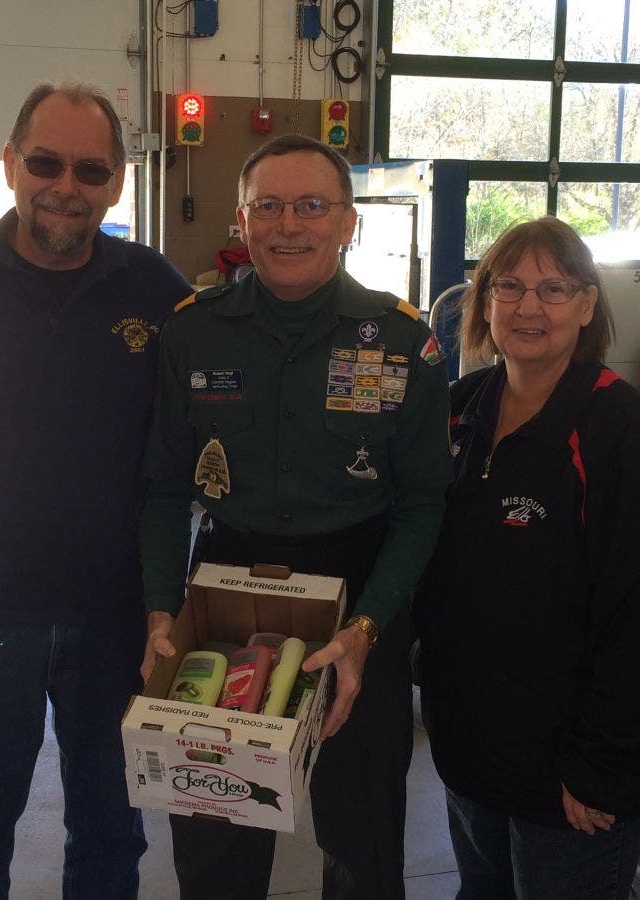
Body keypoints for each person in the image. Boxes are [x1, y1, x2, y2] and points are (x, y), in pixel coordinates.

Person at [140, 133, 453, 899]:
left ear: (348, 222)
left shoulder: (401, 341)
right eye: (268, 206)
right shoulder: (193, 331)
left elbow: (422, 503)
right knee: (214, 819)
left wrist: (367, 626)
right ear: (241, 220)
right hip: (226, 591)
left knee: (362, 833)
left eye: (311, 206)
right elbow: (162, 489)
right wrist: (160, 612)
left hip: (360, 589)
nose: (288, 225)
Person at [0, 81, 190, 899]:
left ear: (117, 183)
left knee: (109, 831)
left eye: (90, 170)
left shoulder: (157, 289)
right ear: (10, 164)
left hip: (118, 618)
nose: (66, 186)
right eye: (46, 163)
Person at [415, 217, 640, 899]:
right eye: (508, 286)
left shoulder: (616, 427)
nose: (527, 307)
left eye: (553, 289)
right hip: (469, 750)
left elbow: (631, 613)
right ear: (484, 302)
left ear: (586, 304)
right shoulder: (458, 411)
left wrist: (601, 765)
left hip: (570, 772)